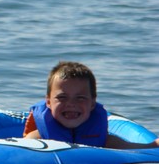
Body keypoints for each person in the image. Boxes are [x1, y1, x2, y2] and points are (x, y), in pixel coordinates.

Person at [23, 61, 159, 149]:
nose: (71, 104)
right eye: (62, 97)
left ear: (92, 103)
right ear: (48, 102)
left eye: (80, 98)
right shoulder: (37, 139)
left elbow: (143, 148)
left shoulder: (105, 141)